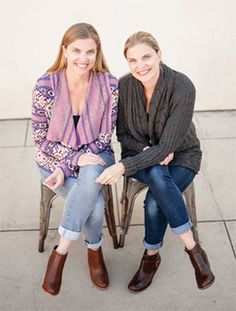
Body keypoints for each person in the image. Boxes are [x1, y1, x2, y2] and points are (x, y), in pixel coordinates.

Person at [96, 31, 215, 292]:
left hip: (182, 156)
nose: (141, 66)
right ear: (127, 63)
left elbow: (169, 147)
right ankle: (193, 249)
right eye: (132, 60)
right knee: (158, 175)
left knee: (153, 200)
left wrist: (124, 166)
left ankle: (150, 258)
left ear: (159, 54)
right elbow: (124, 134)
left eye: (146, 56)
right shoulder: (124, 86)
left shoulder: (183, 87)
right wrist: (149, 150)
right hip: (139, 154)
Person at [32, 23, 118, 295]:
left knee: (92, 168)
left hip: (97, 154)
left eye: (90, 52)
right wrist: (71, 160)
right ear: (65, 51)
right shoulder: (46, 85)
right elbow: (40, 139)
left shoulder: (109, 85)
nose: (84, 58)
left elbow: (104, 138)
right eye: (77, 50)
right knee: (94, 205)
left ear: (97, 52)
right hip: (53, 161)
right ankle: (95, 251)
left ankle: (61, 252)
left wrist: (80, 159)